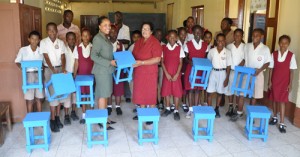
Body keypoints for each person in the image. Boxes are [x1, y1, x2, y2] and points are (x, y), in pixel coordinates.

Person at [132, 22, 162, 124]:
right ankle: (142, 114)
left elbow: (157, 59)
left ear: (151, 31)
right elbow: (133, 56)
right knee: (141, 95)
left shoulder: (155, 42)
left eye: (147, 29)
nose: (144, 31)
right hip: (139, 73)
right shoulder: (138, 42)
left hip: (150, 73)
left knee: (150, 95)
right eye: (143, 29)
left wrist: (142, 62)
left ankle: (151, 117)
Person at [91, 16, 117, 130]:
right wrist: (109, 62)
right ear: (99, 27)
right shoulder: (98, 38)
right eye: (105, 25)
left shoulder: (105, 37)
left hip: (106, 71)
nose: (108, 27)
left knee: (106, 94)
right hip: (101, 71)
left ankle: (105, 117)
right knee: (102, 95)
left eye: (109, 25)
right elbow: (93, 56)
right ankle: (102, 121)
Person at [41, 22, 67, 132]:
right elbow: (46, 57)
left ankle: (57, 118)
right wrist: (52, 69)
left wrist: (64, 68)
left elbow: (63, 56)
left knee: (59, 94)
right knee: (52, 95)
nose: (52, 32)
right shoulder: (43, 42)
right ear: (47, 31)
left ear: (57, 31)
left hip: (59, 69)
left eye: (54, 30)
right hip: (49, 70)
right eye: (50, 30)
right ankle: (52, 120)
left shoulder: (60, 43)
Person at [268, 35, 297, 133]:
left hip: (285, 82)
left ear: (288, 44)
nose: (283, 45)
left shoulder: (291, 55)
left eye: (286, 43)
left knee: (282, 101)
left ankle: (282, 122)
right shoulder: (274, 54)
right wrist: (269, 81)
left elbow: (292, 71)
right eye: (281, 42)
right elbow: (271, 69)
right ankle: (275, 117)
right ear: (278, 43)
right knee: (274, 99)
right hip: (275, 81)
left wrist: (290, 84)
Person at [239, 28, 271, 115]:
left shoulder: (265, 48)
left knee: (254, 96)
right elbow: (244, 59)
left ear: (262, 36)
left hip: (258, 74)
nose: (254, 37)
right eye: (253, 35)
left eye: (257, 35)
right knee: (242, 93)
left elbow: (267, 62)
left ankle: (250, 114)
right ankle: (239, 112)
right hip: (247, 73)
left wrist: (259, 70)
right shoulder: (247, 46)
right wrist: (239, 68)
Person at [15, 31, 44, 113]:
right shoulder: (23, 50)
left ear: (39, 40)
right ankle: (29, 118)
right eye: (32, 39)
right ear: (29, 39)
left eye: (36, 39)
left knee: (39, 98)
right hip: (28, 75)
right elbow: (17, 61)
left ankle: (40, 117)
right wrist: (23, 69)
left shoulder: (41, 50)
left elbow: (44, 63)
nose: (34, 41)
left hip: (39, 74)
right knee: (29, 99)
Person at [184, 25, 208, 118]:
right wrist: (192, 62)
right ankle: (190, 109)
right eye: (196, 32)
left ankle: (196, 108)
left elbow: (205, 57)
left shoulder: (205, 45)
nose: (198, 34)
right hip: (191, 69)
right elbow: (185, 58)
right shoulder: (188, 44)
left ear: (202, 33)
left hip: (201, 71)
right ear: (193, 33)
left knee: (198, 90)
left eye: (199, 32)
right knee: (191, 90)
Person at [161, 30, 185, 121]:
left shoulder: (179, 48)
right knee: (166, 91)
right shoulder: (163, 48)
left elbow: (180, 63)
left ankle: (176, 110)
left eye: (174, 37)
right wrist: (166, 73)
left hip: (176, 74)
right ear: (167, 37)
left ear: (176, 38)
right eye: (170, 37)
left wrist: (177, 74)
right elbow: (162, 62)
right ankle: (167, 108)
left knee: (176, 92)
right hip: (167, 74)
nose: (172, 39)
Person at [207, 33, 232, 118]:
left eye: (222, 40)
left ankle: (216, 109)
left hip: (223, 73)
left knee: (220, 92)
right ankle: (209, 109)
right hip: (213, 72)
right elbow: (208, 62)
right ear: (216, 41)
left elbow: (229, 66)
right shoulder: (211, 51)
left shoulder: (228, 52)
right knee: (209, 92)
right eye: (219, 40)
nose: (220, 42)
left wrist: (227, 78)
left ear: (225, 41)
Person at [224, 29, 245, 121]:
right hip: (231, 71)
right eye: (235, 35)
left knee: (237, 90)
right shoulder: (229, 46)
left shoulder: (245, 47)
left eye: (239, 35)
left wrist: (239, 67)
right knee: (230, 89)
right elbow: (227, 59)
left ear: (242, 36)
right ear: (233, 36)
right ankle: (230, 106)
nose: (237, 37)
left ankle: (237, 107)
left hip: (240, 72)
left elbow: (245, 59)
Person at [107, 25, 125, 116]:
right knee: (109, 88)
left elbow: (124, 57)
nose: (114, 34)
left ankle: (118, 106)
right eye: (112, 32)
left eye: (116, 32)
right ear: (108, 32)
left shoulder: (120, 45)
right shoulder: (105, 43)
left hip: (119, 70)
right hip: (108, 70)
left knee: (118, 88)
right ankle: (109, 106)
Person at [114, 11, 131, 103]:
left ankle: (127, 95)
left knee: (124, 74)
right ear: (114, 17)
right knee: (113, 74)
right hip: (113, 53)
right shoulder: (111, 27)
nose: (118, 18)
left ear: (122, 17)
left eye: (120, 16)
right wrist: (119, 41)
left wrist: (116, 40)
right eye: (116, 16)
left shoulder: (126, 28)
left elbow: (127, 41)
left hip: (124, 53)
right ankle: (114, 93)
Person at [77, 28, 93, 124]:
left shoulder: (93, 47)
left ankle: (90, 112)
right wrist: (75, 74)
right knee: (83, 94)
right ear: (81, 37)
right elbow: (76, 63)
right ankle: (84, 114)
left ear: (90, 36)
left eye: (87, 35)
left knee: (90, 94)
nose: (86, 37)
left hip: (91, 75)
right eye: (84, 35)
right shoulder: (77, 48)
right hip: (81, 75)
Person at [63, 32, 79, 125]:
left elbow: (77, 62)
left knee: (74, 95)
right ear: (66, 40)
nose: (71, 40)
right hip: (67, 75)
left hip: (75, 74)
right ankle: (66, 115)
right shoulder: (64, 49)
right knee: (67, 96)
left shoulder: (77, 49)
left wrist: (75, 74)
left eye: (73, 39)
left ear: (75, 39)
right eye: (69, 39)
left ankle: (73, 112)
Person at [177, 27, 188, 112]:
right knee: (177, 84)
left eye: (184, 34)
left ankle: (184, 102)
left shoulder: (188, 44)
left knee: (184, 84)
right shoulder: (175, 43)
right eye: (181, 34)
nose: (183, 36)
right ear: (178, 35)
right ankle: (174, 103)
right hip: (176, 67)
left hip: (185, 66)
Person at [154, 28, 165, 110]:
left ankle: (161, 101)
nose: (159, 36)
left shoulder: (164, 45)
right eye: (157, 34)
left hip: (161, 67)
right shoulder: (152, 44)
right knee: (154, 85)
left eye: (160, 35)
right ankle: (155, 101)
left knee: (161, 84)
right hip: (153, 67)